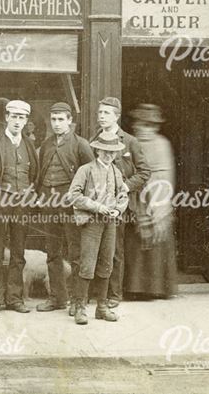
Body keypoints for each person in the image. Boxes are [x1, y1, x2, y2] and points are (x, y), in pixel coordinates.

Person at [0, 99, 39, 315]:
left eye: (22, 117)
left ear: (26, 120)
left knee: (18, 255)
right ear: (6, 118)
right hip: (0, 207)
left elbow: (35, 176)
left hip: (22, 207)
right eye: (14, 117)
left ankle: (14, 299)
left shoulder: (29, 146)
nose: (18, 121)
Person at [90, 97, 151, 308]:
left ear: (116, 116)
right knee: (97, 248)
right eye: (100, 113)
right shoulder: (95, 139)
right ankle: (99, 293)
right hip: (98, 203)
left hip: (119, 205)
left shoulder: (130, 141)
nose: (101, 117)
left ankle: (114, 294)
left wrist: (126, 186)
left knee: (114, 250)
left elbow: (144, 172)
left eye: (106, 113)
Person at [35, 102, 94, 314]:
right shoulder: (47, 144)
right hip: (50, 203)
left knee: (76, 254)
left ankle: (78, 301)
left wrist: (82, 205)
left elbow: (91, 177)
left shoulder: (80, 144)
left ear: (70, 120)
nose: (57, 124)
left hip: (71, 205)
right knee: (53, 252)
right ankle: (57, 298)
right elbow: (41, 172)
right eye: (53, 119)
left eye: (61, 119)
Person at [68, 132, 129, 325]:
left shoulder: (116, 172)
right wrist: (98, 207)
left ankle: (101, 307)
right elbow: (73, 195)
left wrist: (118, 210)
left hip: (109, 223)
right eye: (105, 151)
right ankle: (80, 308)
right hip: (91, 223)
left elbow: (123, 196)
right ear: (97, 150)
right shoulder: (85, 170)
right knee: (86, 264)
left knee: (106, 263)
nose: (109, 155)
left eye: (112, 152)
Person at [123, 103, 178, 299]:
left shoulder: (162, 144)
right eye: (141, 125)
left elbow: (166, 173)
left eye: (150, 125)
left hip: (156, 196)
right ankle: (135, 287)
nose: (145, 129)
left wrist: (160, 204)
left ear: (156, 127)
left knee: (157, 242)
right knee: (134, 244)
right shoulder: (131, 143)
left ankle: (157, 288)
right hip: (135, 196)